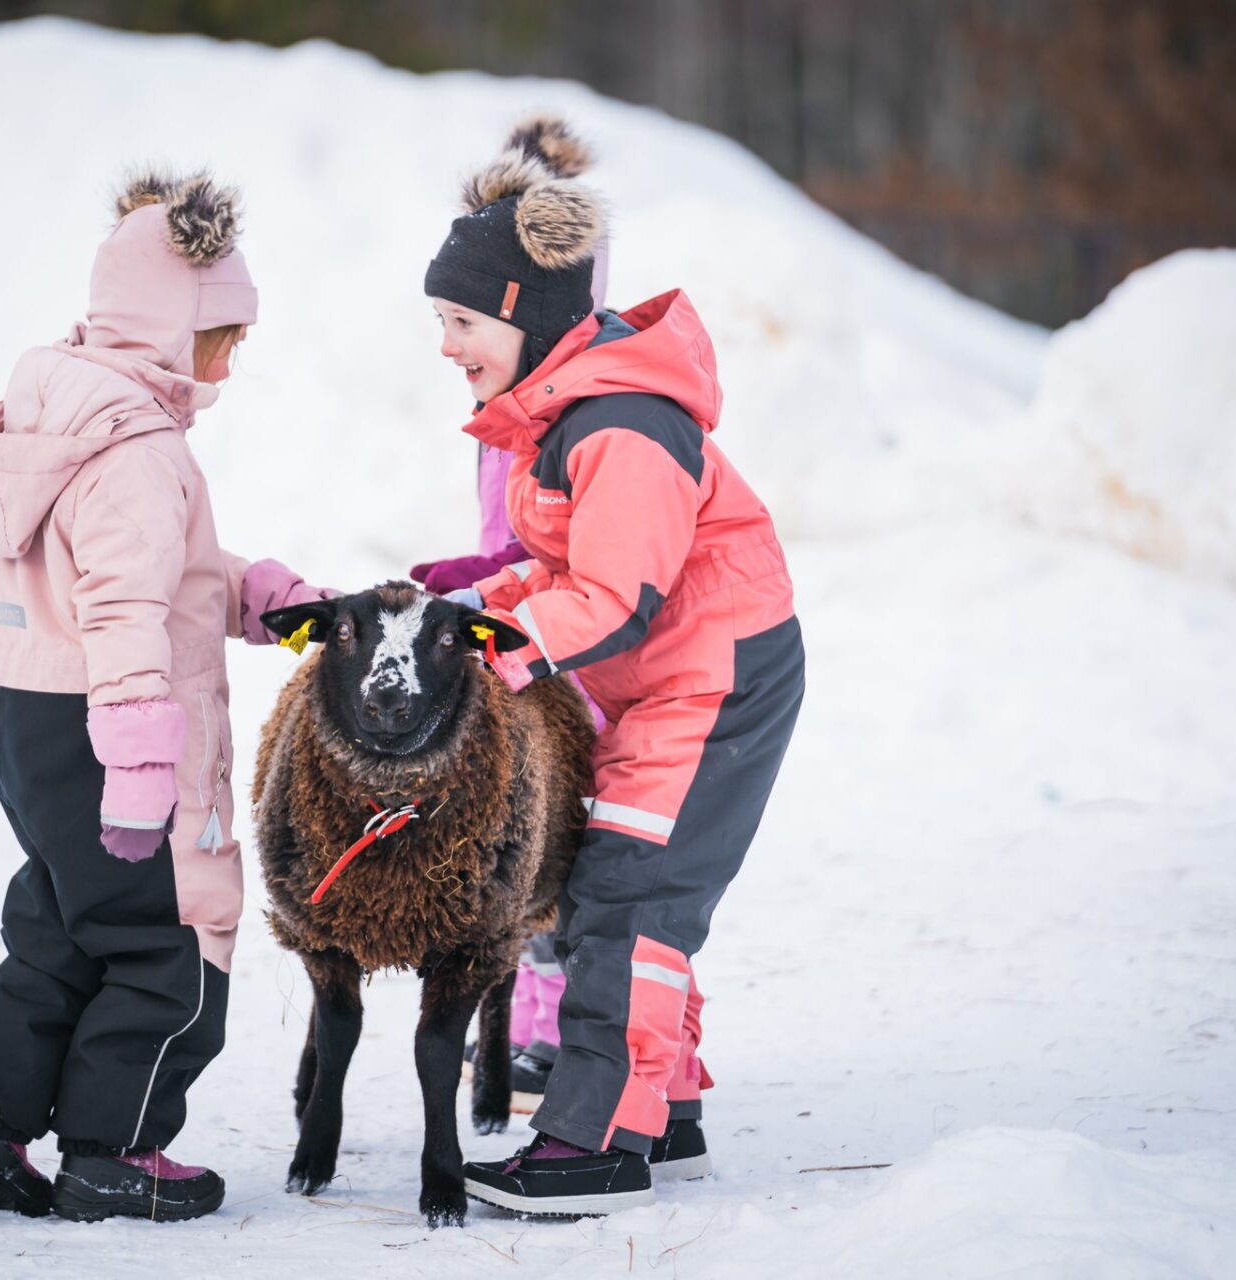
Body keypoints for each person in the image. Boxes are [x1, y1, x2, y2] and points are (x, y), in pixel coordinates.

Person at [0, 169, 331, 1223]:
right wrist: (144, 775)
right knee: (169, 940)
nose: (232, 359)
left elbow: (140, 573)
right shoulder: (139, 451)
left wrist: (259, 595)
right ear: (172, 326)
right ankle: (115, 1152)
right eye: (225, 334)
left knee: (63, 925)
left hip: (39, 723)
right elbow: (126, 610)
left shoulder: (67, 422)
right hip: (122, 734)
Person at [424, 145, 806, 1216]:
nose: (446, 345)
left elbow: (614, 595)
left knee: (629, 898)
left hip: (715, 683)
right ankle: (663, 1117)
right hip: (674, 679)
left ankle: (593, 1140)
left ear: (527, 318)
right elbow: (568, 568)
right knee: (630, 894)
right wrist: (479, 603)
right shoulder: (567, 418)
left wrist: (499, 645)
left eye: (462, 321)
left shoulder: (623, 426)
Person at [413, 115, 610, 1113]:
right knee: (527, 842)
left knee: (573, 851)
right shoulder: (510, 392)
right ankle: (533, 1027)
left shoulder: (570, 406)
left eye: (464, 320)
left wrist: (497, 579)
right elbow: (517, 528)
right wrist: (477, 574)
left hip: (573, 646)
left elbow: (577, 550)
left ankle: (570, 1037)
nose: (449, 344)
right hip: (523, 622)